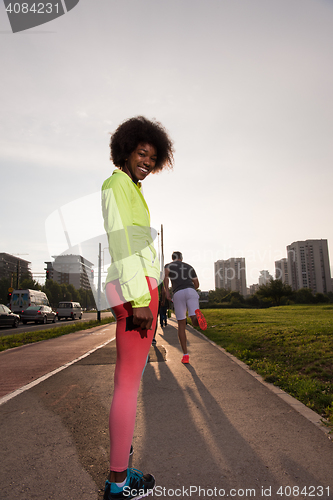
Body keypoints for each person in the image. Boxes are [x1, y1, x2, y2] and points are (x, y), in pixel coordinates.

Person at [102, 116, 173, 500]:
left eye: (153, 156)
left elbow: (139, 246)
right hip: (135, 292)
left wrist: (157, 282)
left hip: (141, 286)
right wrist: (142, 298)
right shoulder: (117, 183)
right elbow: (120, 241)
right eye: (141, 152)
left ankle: (121, 469)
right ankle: (117, 483)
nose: (147, 160)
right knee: (127, 385)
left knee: (128, 381)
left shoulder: (132, 186)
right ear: (126, 150)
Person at [164, 251, 207, 364]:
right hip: (191, 291)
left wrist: (167, 292)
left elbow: (166, 278)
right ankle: (196, 317)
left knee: (181, 325)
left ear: (172, 258)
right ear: (181, 258)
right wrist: (191, 287)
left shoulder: (168, 266)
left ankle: (185, 355)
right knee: (193, 318)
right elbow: (197, 284)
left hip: (178, 293)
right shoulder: (189, 267)